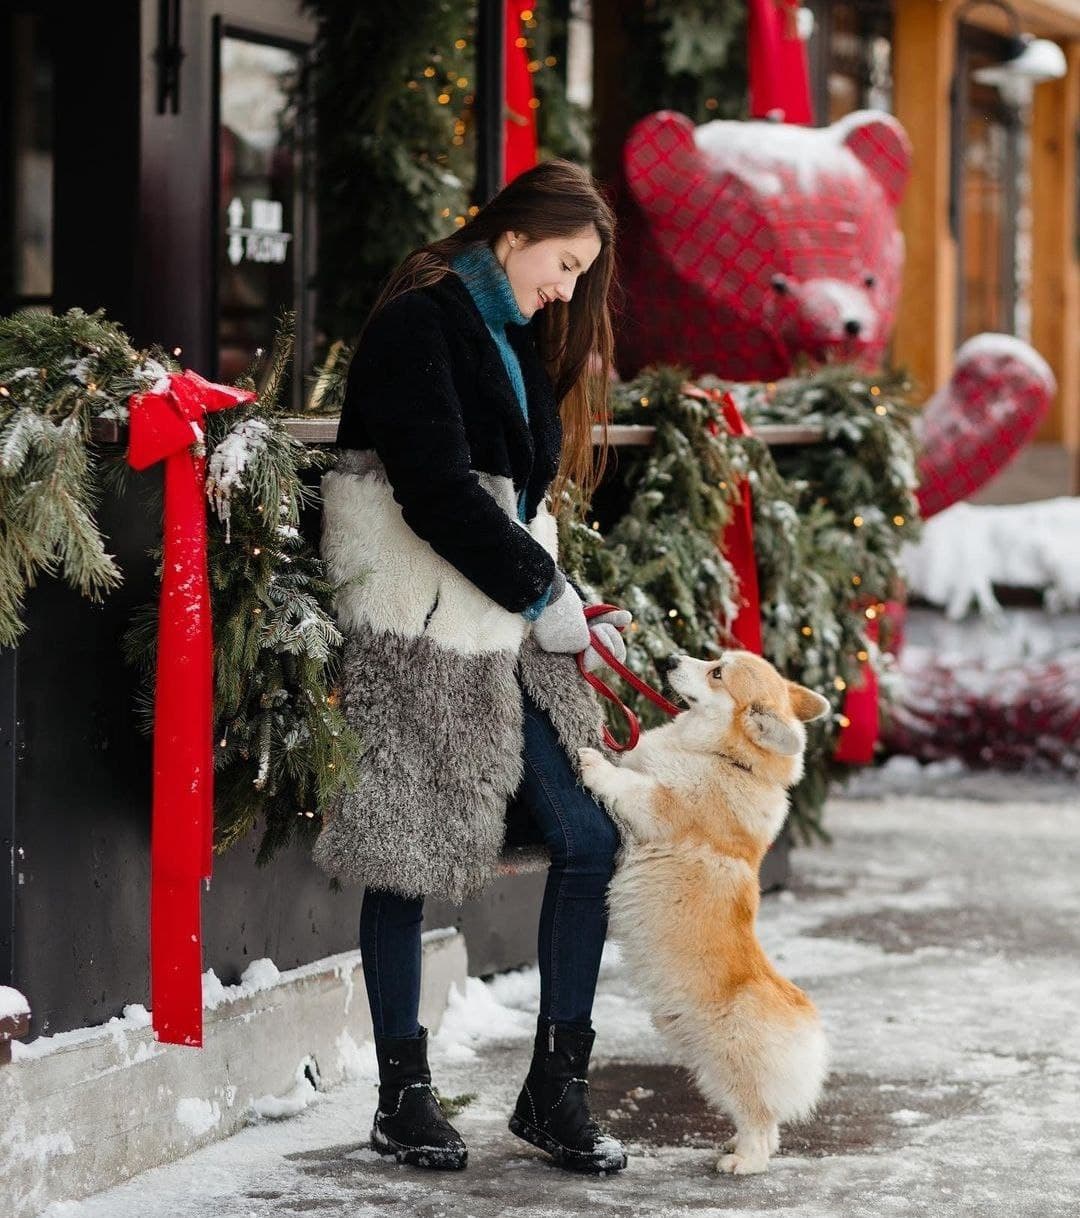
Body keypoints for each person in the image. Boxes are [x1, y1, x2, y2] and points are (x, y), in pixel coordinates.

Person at [315, 159, 630, 1175]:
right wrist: (543, 592)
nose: (568, 290)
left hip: (501, 628)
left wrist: (560, 599)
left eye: (584, 275)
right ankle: (402, 1095)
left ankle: (555, 1091)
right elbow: (440, 494)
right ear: (514, 234)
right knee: (404, 850)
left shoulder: (509, 336)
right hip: (425, 632)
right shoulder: (419, 324)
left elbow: (515, 497)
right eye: (565, 264)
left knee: (588, 836)